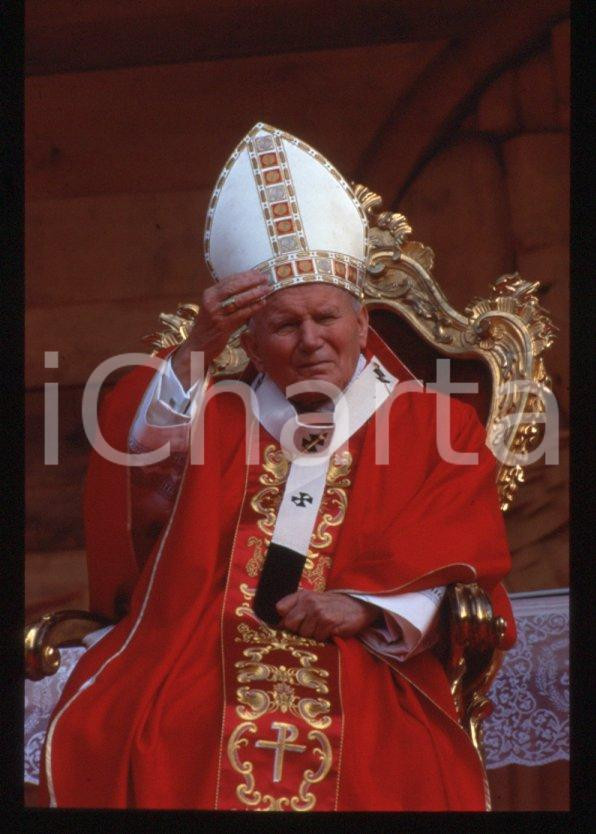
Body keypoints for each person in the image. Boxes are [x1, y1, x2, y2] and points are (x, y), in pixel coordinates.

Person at [37, 124, 514, 811]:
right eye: (285, 325)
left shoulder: (434, 427)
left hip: (366, 659)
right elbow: (137, 477)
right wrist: (197, 351)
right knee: (151, 728)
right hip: (202, 649)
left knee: (384, 759)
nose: (312, 340)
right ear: (252, 344)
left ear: (362, 325)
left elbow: (463, 559)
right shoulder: (218, 414)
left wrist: (368, 607)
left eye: (327, 317)